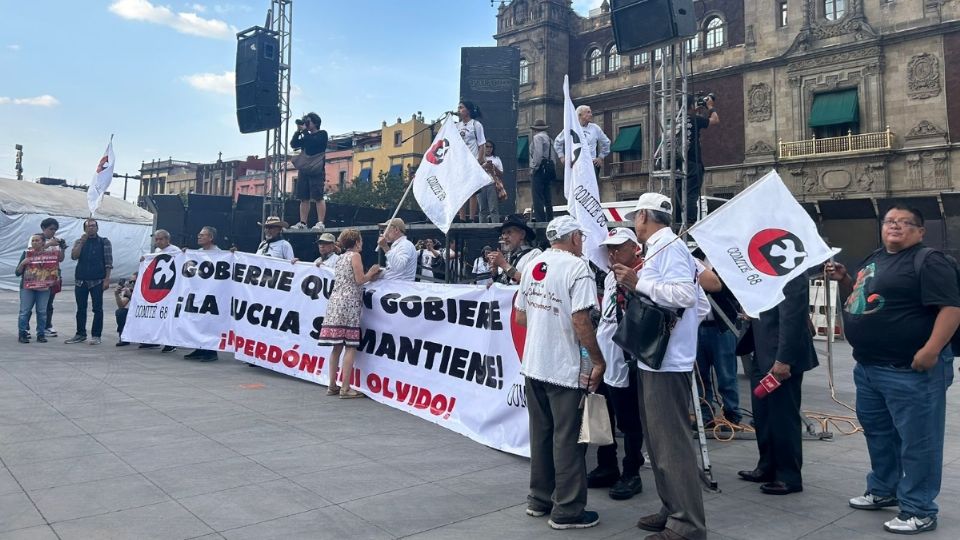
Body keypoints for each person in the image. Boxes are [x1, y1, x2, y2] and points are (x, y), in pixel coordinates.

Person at [826, 205, 960, 535]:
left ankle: (919, 508)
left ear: (920, 231)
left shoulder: (929, 261)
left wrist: (930, 351)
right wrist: (845, 279)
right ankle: (884, 489)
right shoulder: (874, 258)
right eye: (889, 222)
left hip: (911, 371)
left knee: (918, 442)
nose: (895, 226)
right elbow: (858, 301)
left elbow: (951, 309)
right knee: (880, 435)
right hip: (870, 368)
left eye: (904, 223)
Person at [612, 193, 706, 540]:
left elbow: (686, 296)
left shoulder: (671, 247)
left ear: (644, 217)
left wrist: (639, 283)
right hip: (656, 359)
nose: (634, 222)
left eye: (635, 216)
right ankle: (673, 509)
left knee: (671, 445)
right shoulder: (661, 246)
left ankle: (687, 524)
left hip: (667, 361)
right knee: (658, 443)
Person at [515, 215, 605, 530]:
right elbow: (581, 320)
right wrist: (597, 359)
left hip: (534, 364)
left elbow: (521, 316)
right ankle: (567, 510)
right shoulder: (578, 268)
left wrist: (545, 322)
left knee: (541, 435)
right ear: (574, 238)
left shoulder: (533, 264)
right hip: (563, 367)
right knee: (567, 439)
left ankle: (538, 500)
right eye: (580, 236)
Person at [737, 273, 818, 496]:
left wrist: (784, 359)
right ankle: (767, 466)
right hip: (761, 350)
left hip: (780, 358)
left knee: (783, 416)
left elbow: (792, 315)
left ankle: (788, 475)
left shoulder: (790, 268)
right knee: (763, 414)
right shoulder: (761, 268)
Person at [589, 227, 646, 501]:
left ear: (634, 247)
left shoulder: (643, 273)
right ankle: (606, 464)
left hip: (626, 360)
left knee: (629, 420)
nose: (611, 253)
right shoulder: (611, 277)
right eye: (609, 248)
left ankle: (632, 472)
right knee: (601, 414)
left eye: (618, 247)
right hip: (604, 357)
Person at [318, 229, 381, 399]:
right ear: (357, 241)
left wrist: (369, 276)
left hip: (335, 301)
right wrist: (373, 272)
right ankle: (345, 387)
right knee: (350, 345)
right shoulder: (355, 256)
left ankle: (332, 385)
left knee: (336, 346)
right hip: (349, 303)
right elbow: (359, 280)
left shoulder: (340, 258)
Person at [694, 255, 744, 430]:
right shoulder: (693, 255)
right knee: (700, 375)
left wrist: (708, 274)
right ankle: (704, 415)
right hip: (697, 325)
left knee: (726, 375)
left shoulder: (726, 258)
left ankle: (732, 415)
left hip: (722, 325)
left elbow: (731, 290)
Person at [674, 94, 719, 226]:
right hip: (693, 163)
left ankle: (677, 223)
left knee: (679, 195)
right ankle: (690, 224)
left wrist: (696, 110)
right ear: (691, 106)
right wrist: (711, 107)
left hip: (679, 163)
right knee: (691, 194)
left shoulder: (677, 121)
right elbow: (715, 120)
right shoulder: (695, 119)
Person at [66, 219, 112, 345]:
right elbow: (74, 256)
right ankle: (80, 334)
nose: (91, 228)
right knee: (81, 308)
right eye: (88, 226)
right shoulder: (79, 241)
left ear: (97, 228)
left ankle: (96, 335)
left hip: (97, 280)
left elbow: (108, 262)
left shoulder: (104, 242)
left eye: (93, 226)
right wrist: (82, 242)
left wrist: (107, 279)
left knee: (97, 309)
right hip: (81, 280)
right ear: (84, 229)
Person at [184, 226, 222, 361]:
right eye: (199, 234)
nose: (199, 237)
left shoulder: (219, 254)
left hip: (212, 293)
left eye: (202, 235)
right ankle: (199, 348)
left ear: (211, 238)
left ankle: (211, 352)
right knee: (198, 320)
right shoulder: (197, 253)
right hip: (199, 292)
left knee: (209, 322)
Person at [141, 229, 181, 353]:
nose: (158, 241)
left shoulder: (175, 251)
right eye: (156, 239)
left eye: (160, 239)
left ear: (167, 240)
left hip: (170, 288)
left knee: (168, 317)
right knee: (156, 316)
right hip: (158, 288)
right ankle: (154, 340)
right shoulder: (157, 252)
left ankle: (170, 343)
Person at [290, 112, 329, 231]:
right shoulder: (306, 136)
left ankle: (320, 222)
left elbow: (313, 143)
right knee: (303, 197)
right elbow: (294, 144)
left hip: (316, 170)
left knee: (318, 196)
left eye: (308, 121)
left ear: (315, 122)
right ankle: (303, 222)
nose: (306, 124)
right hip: (305, 169)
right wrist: (298, 131)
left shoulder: (322, 134)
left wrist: (305, 131)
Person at [16, 234, 55, 344]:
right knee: (24, 311)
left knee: (42, 311)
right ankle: (22, 333)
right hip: (27, 287)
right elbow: (17, 273)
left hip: (43, 287)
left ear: (43, 242)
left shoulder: (50, 255)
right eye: (33, 240)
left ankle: (41, 334)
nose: (34, 242)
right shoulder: (26, 254)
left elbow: (54, 270)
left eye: (37, 240)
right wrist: (23, 264)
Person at [554, 105, 610, 178]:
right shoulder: (571, 128)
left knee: (590, 188)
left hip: (591, 164)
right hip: (575, 164)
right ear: (580, 115)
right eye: (588, 112)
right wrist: (562, 157)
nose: (591, 115)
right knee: (577, 188)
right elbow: (557, 142)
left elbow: (606, 142)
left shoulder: (595, 128)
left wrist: (600, 157)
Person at [487, 214, 542, 285]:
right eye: (503, 233)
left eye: (509, 232)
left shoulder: (535, 254)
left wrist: (504, 265)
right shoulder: (506, 257)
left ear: (522, 234)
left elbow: (533, 283)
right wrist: (495, 275)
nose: (505, 237)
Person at [455, 101, 487, 222]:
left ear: (468, 110)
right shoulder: (457, 126)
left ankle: (472, 218)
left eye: (461, 107)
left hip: (472, 161)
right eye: (458, 107)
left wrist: (479, 160)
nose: (459, 110)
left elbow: (482, 144)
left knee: (472, 191)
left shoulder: (476, 125)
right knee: (460, 190)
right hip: (460, 162)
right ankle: (462, 218)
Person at [39, 218, 66, 338]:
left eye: (55, 229)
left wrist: (62, 248)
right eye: (51, 229)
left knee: (49, 303)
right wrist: (49, 244)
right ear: (43, 228)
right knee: (34, 302)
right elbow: (33, 252)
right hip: (38, 276)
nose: (53, 232)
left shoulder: (56, 241)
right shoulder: (37, 238)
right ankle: (26, 328)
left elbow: (60, 259)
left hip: (52, 275)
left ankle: (47, 326)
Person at [529, 119, 557, 223]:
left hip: (539, 170)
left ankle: (540, 223)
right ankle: (550, 221)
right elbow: (553, 157)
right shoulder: (550, 139)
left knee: (537, 199)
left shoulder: (537, 138)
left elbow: (538, 154)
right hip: (548, 170)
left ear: (535, 129)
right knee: (548, 199)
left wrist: (533, 168)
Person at [479, 140, 503, 224]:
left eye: (490, 147)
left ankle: (495, 227)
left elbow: (501, 174)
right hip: (481, 185)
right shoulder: (479, 158)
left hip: (492, 184)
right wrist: (484, 166)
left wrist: (493, 167)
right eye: (487, 146)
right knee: (482, 209)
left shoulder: (496, 159)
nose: (489, 149)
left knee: (493, 209)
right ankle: (482, 229)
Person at [114, 272, 136, 347]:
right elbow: (121, 305)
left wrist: (131, 296)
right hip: (135, 313)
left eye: (134, 282)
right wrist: (117, 295)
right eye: (131, 282)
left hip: (145, 313)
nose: (132, 284)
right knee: (120, 312)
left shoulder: (146, 288)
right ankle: (123, 337)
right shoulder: (131, 290)